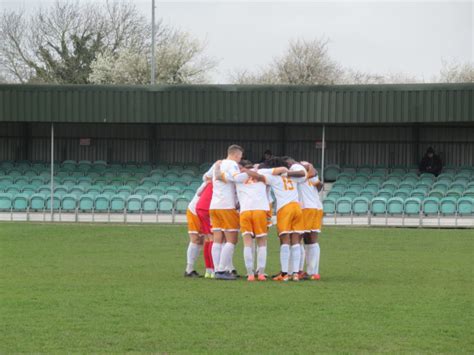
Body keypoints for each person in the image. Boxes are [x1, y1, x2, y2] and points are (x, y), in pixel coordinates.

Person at [247, 157, 312, 281]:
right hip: (297, 207)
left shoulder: (273, 177)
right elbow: (304, 174)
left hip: (284, 209)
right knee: (296, 241)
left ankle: (284, 274)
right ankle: (295, 274)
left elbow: (259, 175)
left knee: (285, 240)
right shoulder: (293, 176)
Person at [217, 159, 270, 281]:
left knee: (247, 243)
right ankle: (261, 273)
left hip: (245, 211)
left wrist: (217, 166)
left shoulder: (239, 177)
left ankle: (250, 274)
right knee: (262, 242)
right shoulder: (262, 174)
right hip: (260, 210)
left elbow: (219, 177)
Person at [204, 145, 244, 280]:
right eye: (240, 157)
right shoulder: (232, 164)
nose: (240, 159)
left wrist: (217, 173)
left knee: (217, 239)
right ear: (236, 155)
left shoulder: (218, 163)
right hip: (226, 206)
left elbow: (205, 177)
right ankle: (221, 270)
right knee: (232, 239)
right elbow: (236, 178)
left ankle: (217, 269)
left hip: (214, 205)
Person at [297, 161, 323, 281]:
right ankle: (313, 272)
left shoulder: (302, 176)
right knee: (310, 240)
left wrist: (311, 169)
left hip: (307, 208)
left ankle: (299, 271)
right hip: (316, 207)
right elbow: (319, 185)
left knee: (299, 238)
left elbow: (319, 185)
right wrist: (311, 170)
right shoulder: (311, 176)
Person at [184, 181, 209, 277]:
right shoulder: (209, 181)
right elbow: (199, 191)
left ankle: (190, 269)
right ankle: (189, 269)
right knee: (195, 239)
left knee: (201, 240)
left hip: (203, 211)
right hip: (195, 210)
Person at [196, 181, 214, 279]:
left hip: (200, 207)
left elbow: (199, 192)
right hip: (207, 209)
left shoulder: (210, 181)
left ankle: (208, 270)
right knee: (213, 238)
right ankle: (214, 269)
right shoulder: (220, 181)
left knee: (207, 238)